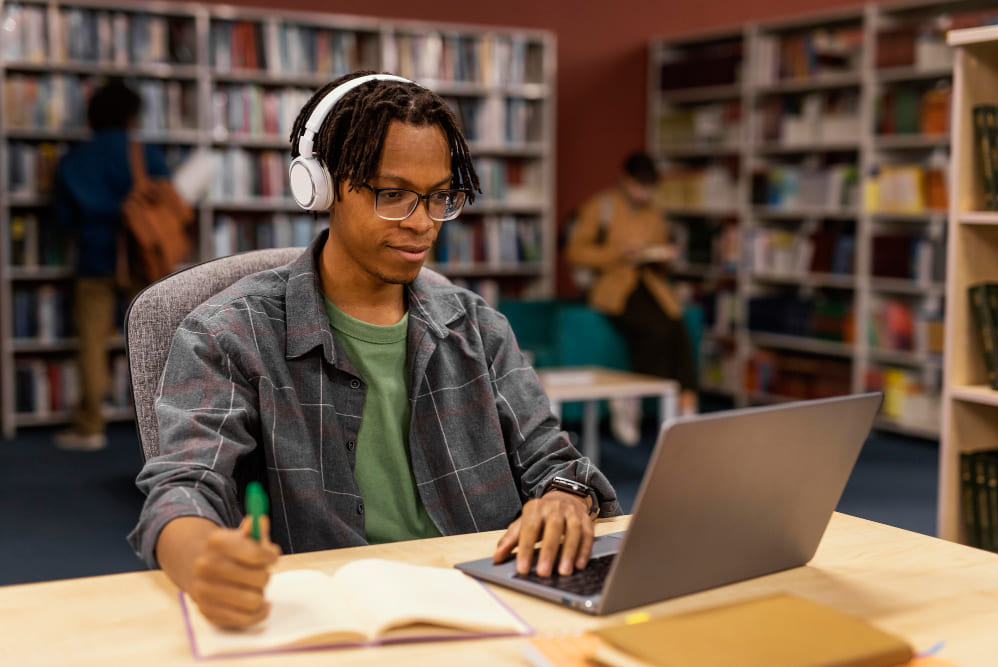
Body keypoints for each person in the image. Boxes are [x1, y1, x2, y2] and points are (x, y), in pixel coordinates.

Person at [128, 71, 621, 630]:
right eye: (393, 195)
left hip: (491, 605)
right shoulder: (228, 333)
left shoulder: (477, 326)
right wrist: (201, 562)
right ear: (321, 187)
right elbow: (184, 487)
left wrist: (564, 497)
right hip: (331, 620)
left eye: (439, 197)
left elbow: (555, 463)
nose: (422, 223)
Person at [51, 79, 171, 451]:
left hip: (94, 257)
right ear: (133, 116)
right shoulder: (144, 153)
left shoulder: (74, 159)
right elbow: (167, 203)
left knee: (91, 342)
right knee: (154, 342)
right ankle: (163, 428)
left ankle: (90, 427)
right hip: (142, 260)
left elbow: (63, 217)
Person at [565, 151, 698, 446]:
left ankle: (687, 405)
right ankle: (636, 399)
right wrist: (619, 252)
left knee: (677, 327)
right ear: (626, 180)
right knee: (655, 329)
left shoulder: (655, 212)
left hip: (650, 284)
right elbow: (576, 252)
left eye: (649, 186)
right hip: (613, 286)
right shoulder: (601, 207)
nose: (644, 192)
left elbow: (661, 252)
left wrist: (664, 255)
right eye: (640, 185)